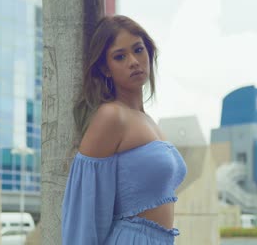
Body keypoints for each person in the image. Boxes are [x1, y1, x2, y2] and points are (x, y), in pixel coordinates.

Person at [62, 15, 187, 245]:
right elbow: (84, 215)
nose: (133, 61)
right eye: (120, 56)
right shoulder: (111, 116)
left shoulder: (148, 120)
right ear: (105, 69)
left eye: (138, 50)